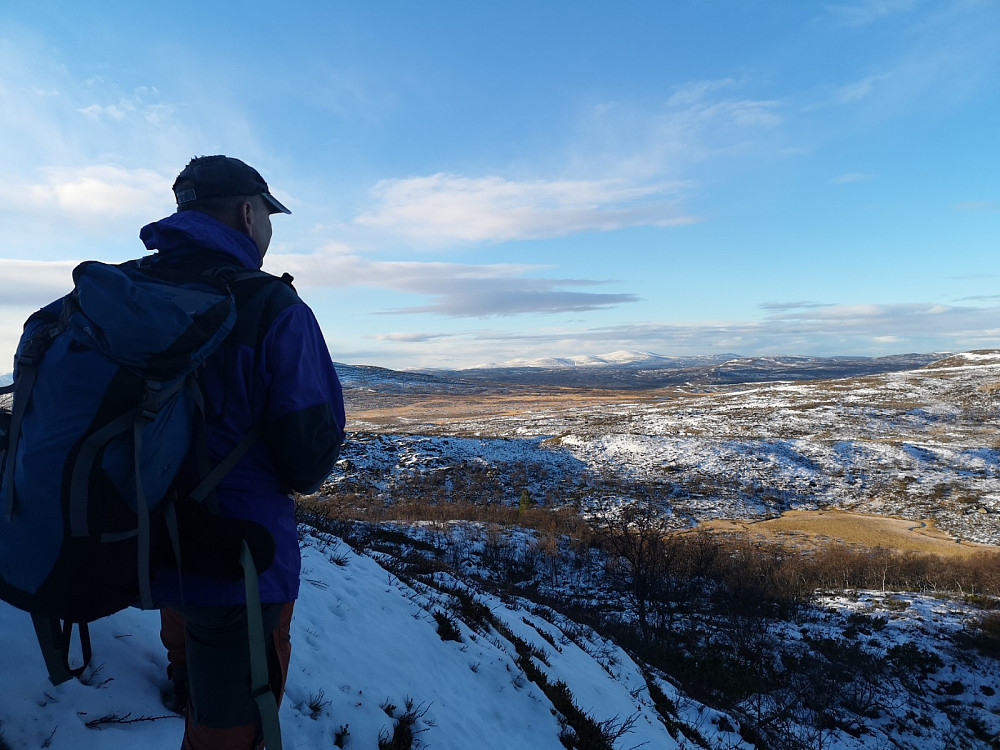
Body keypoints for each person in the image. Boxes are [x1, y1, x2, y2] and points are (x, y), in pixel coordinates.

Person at [142, 155, 346, 749]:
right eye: (268, 216)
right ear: (247, 212)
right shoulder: (274, 310)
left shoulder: (127, 294)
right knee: (232, 729)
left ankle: (183, 681)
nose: (268, 229)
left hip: (138, 531)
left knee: (184, 620)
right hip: (239, 560)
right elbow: (308, 461)